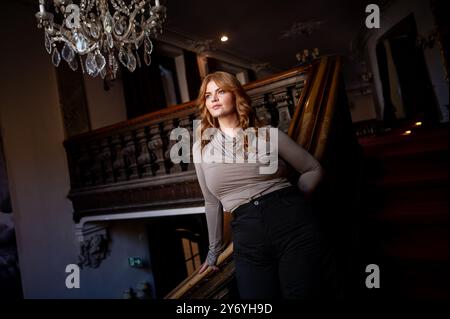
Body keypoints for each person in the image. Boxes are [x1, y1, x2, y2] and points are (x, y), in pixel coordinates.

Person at [193, 71, 335, 299]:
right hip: (247, 232)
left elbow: (314, 169)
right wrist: (213, 252)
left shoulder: (268, 135)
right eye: (208, 95)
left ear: (235, 94)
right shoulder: (201, 149)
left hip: (292, 222)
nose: (214, 99)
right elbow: (211, 203)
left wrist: (293, 198)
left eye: (221, 92)